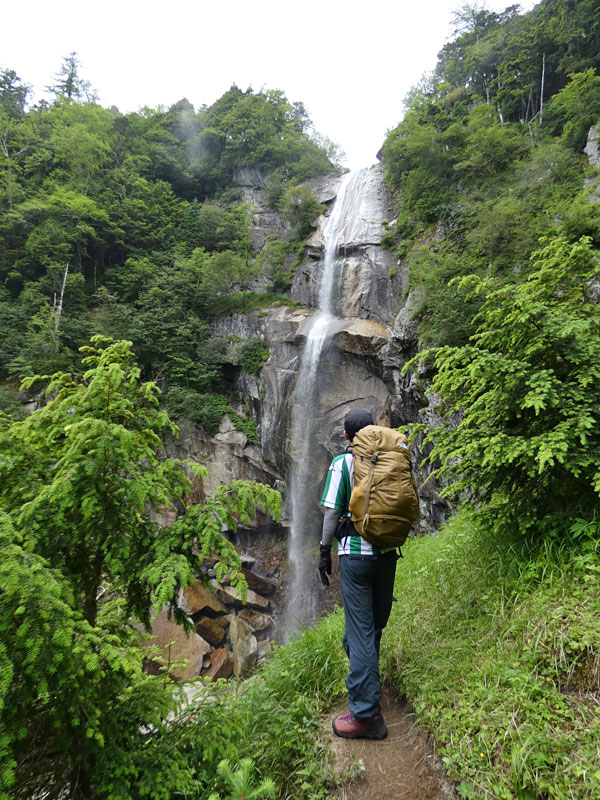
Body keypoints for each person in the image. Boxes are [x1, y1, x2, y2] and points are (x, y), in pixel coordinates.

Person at [318, 408, 399, 740]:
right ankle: (369, 689)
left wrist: (324, 550)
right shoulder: (392, 459)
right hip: (388, 554)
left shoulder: (343, 463)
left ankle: (365, 716)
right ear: (375, 431)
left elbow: (331, 512)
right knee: (371, 627)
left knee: (360, 631)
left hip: (356, 557)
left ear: (348, 437)